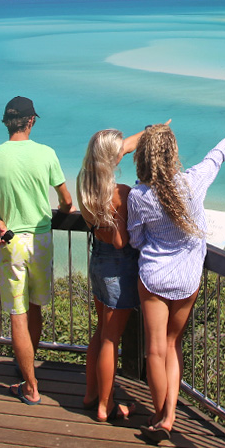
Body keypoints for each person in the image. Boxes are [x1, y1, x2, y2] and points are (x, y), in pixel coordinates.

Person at [128, 120, 225, 443]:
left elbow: (134, 240)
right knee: (173, 345)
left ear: (143, 156)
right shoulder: (191, 184)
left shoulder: (138, 195)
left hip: (154, 277)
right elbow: (216, 157)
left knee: (155, 350)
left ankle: (159, 415)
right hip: (187, 279)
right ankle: (170, 414)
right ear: (173, 154)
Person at [0, 96, 74, 405]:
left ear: (7, 124)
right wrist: (61, 211)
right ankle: (30, 377)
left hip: (10, 241)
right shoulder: (46, 154)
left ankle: (29, 382)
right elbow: (66, 201)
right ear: (31, 122)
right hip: (42, 239)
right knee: (34, 307)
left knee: (18, 314)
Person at [76, 127, 149, 422]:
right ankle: (105, 407)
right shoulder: (120, 193)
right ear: (113, 157)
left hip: (97, 260)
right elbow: (121, 240)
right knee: (110, 340)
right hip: (118, 267)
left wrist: (146, 133)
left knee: (100, 333)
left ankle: (90, 393)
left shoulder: (85, 183)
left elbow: (122, 147)